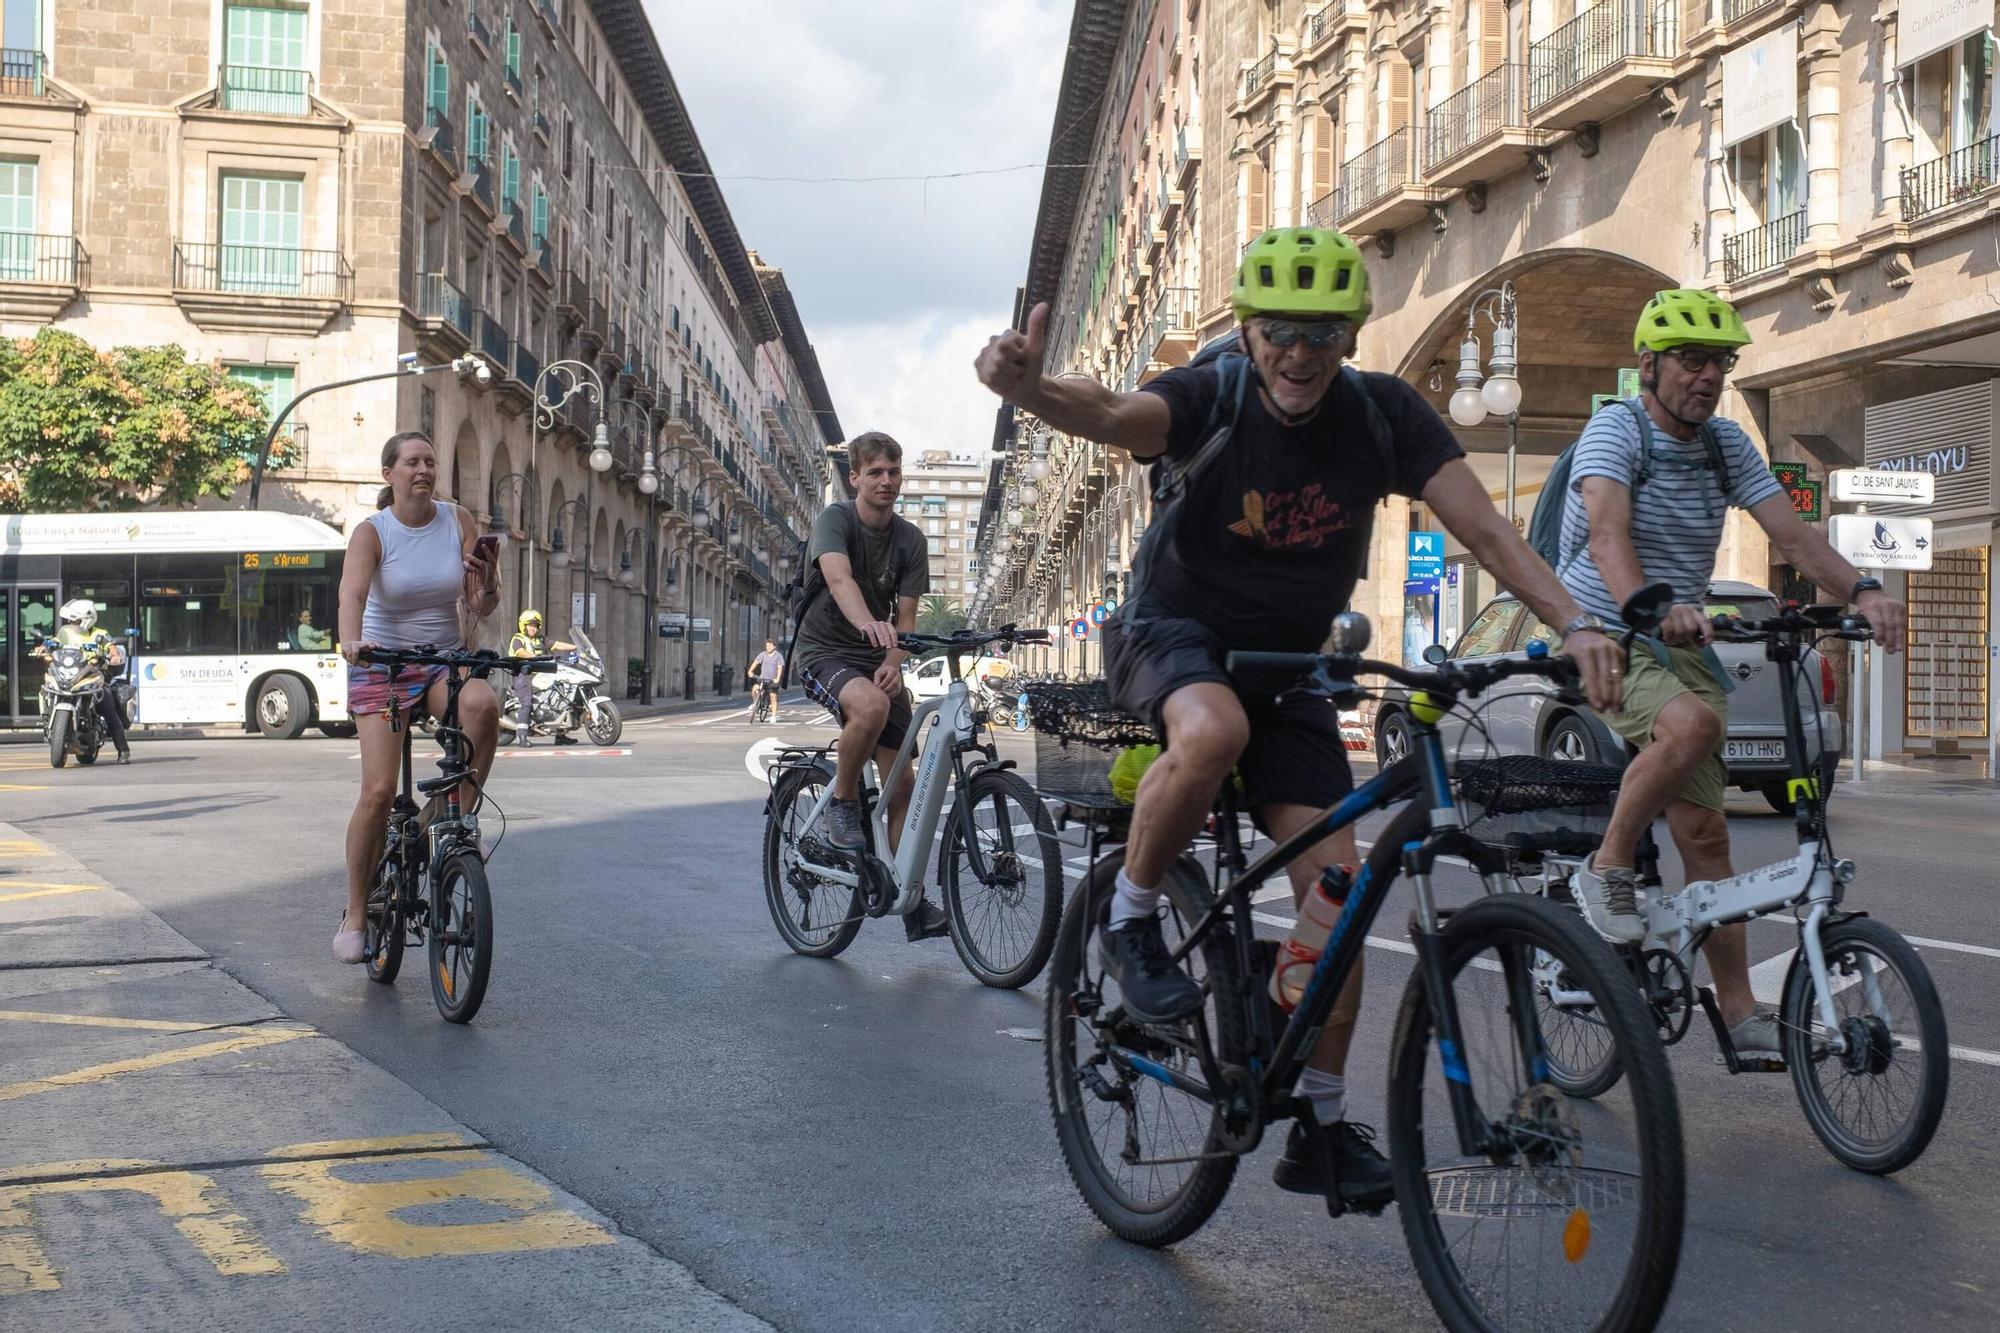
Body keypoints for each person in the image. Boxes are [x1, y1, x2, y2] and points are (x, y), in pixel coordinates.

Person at [975, 226, 1623, 1206]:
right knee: (1212, 732)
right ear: (1247, 331)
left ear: (1351, 337)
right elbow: (1108, 411)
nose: (1298, 352)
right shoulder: (1211, 395)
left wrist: (1573, 621)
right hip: (1172, 633)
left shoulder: (1382, 417)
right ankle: (1131, 917)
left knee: (1338, 896)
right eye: (1278, 329)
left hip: (1289, 669)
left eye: (1321, 333)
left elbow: (1489, 531)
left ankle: (1319, 1124)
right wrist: (1030, 390)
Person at [1557, 288, 1908, 1056]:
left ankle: (1742, 1010)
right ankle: (1607, 864)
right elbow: (1609, 535)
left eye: (1720, 362)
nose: (1709, 376)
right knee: (1692, 724)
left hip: (1676, 640)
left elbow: (1795, 537)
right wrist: (1649, 606)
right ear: (1649, 365)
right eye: (1692, 360)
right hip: (1605, 632)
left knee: (1707, 838)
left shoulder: (1724, 444)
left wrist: (1864, 590)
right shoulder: (1616, 430)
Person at [335, 431, 501, 964]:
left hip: (441, 660)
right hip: (381, 662)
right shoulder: (373, 531)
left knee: (483, 706)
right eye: (412, 462)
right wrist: (351, 641)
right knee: (378, 792)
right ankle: (356, 913)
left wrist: (489, 579)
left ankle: (460, 820)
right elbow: (352, 593)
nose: (424, 469)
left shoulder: (457, 520)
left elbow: (483, 604)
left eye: (430, 460)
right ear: (390, 474)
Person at [790, 431, 950, 942]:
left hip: (876, 656)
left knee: (904, 785)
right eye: (875, 472)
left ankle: (908, 898)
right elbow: (840, 580)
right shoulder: (835, 521)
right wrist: (868, 626)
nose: (886, 480)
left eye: (894, 471)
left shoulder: (910, 541)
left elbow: (906, 620)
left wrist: (895, 660)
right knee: (871, 707)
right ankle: (843, 801)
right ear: (855, 477)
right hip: (824, 651)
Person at [39, 598, 131, 764]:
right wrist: (43, 647)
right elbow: (54, 642)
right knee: (47, 688)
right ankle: (49, 722)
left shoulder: (99, 634)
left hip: (92, 675)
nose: (71, 623)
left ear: (86, 619)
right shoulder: (65, 633)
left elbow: (110, 646)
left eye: (75, 620)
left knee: (108, 706)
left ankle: (123, 750)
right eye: (70, 620)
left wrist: (114, 655)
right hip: (70, 673)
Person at [507, 610, 575, 746]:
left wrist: (575, 647)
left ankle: (560, 735)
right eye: (530, 625)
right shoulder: (518, 638)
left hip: (539, 674)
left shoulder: (540, 639)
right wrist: (535, 657)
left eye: (535, 625)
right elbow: (520, 652)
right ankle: (521, 736)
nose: (533, 628)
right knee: (526, 702)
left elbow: (556, 644)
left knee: (559, 698)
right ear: (523, 626)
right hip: (523, 674)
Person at [746, 639, 785, 719]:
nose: (768, 647)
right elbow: (756, 662)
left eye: (770, 646)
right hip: (762, 678)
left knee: (773, 696)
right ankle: (755, 703)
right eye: (767, 646)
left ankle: (773, 716)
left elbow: (780, 668)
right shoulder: (762, 654)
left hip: (772, 680)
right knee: (755, 689)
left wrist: (777, 678)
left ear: (774, 647)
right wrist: (750, 671)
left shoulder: (778, 656)